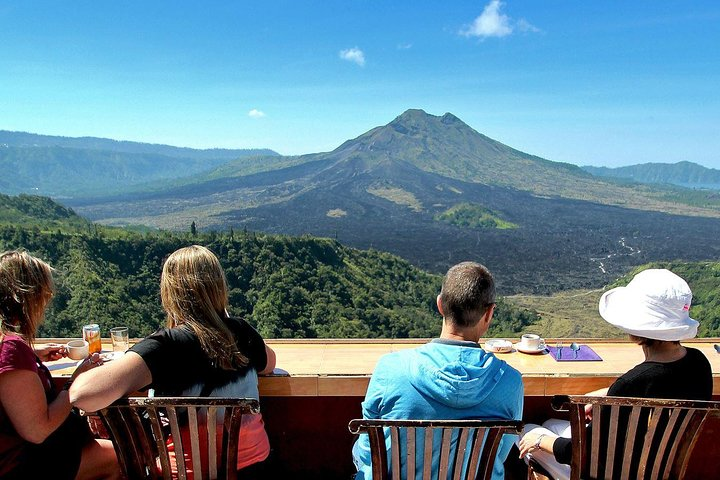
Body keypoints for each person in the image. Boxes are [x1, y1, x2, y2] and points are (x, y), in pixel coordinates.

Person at [70, 245, 277, 479]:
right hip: (253, 471)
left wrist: (81, 374)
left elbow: (82, 396)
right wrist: (225, 320)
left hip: (183, 475)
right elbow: (269, 363)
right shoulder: (242, 333)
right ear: (220, 287)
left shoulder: (164, 346)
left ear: (170, 292)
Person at [518, 268, 713, 480]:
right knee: (550, 425)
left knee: (530, 430)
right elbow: (654, 386)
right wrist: (608, 396)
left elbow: (580, 451)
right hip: (657, 473)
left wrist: (537, 440)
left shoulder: (632, 383)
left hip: (602, 472)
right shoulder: (699, 363)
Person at [352, 261, 524, 480]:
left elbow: (369, 450)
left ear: (440, 305)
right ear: (489, 314)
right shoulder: (510, 382)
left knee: (358, 451)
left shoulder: (390, 368)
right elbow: (500, 453)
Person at [0, 250, 119, 480]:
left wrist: (34, 355)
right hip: (20, 464)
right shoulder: (11, 349)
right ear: (28, 297)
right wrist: (75, 381)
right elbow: (37, 430)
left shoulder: (10, 346)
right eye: (45, 294)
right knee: (119, 458)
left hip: (26, 454)